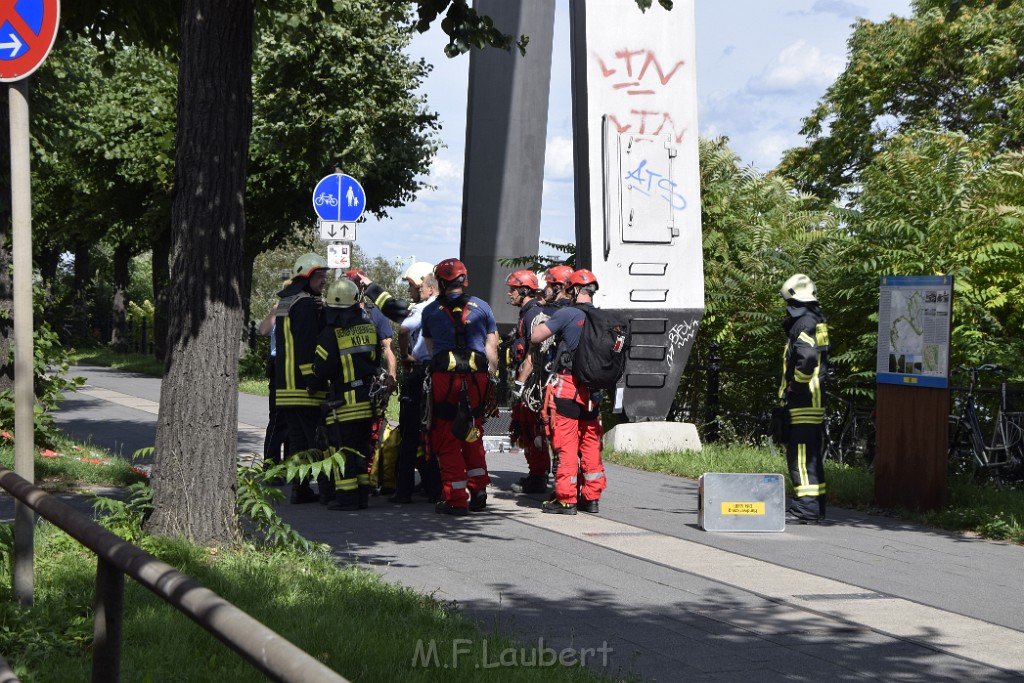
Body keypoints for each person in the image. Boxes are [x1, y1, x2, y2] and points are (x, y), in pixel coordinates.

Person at [421, 258, 499, 516]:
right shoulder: (483, 308)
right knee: (473, 431)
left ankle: (455, 498)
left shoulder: (431, 311)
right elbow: (492, 350)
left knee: (447, 436)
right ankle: (478, 491)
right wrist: (491, 382)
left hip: (446, 378)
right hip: (477, 378)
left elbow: (432, 351)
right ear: (463, 281)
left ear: (441, 283)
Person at [311, 278, 397, 511]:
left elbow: (322, 369)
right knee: (361, 449)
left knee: (343, 451)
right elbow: (375, 359)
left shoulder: (332, 333)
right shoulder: (369, 327)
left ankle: (347, 499)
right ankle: (361, 496)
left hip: (344, 403)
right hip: (366, 401)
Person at [530, 268, 607, 515]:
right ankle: (591, 497)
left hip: (569, 386)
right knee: (590, 441)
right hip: (594, 391)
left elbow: (535, 336)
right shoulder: (605, 319)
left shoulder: (568, 313)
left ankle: (565, 498)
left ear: (574, 290)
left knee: (566, 442)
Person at [274, 253, 329, 504]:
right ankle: (326, 489)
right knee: (315, 439)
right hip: (303, 387)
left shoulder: (287, 301)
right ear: (306, 277)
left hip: (284, 386)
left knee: (296, 441)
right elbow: (307, 346)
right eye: (319, 276)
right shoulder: (305, 304)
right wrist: (314, 380)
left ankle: (300, 488)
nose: (324, 281)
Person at [778, 273, 830, 523]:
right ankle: (815, 507)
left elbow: (807, 358)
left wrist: (795, 387)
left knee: (800, 457)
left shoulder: (803, 325)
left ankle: (805, 510)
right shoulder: (818, 321)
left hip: (804, 401)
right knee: (811, 456)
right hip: (815, 401)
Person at [391, 262, 442, 504]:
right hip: (443, 376)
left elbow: (402, 332)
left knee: (410, 433)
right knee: (433, 432)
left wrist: (404, 357)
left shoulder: (423, 309)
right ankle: (436, 488)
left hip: (421, 375)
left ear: (430, 287)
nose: (414, 290)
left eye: (416, 286)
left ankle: (403, 491)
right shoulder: (449, 309)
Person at [505, 269, 551, 494]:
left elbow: (532, 355)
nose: (509, 294)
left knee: (532, 428)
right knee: (525, 428)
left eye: (512, 290)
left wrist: (520, 384)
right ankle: (536, 473)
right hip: (528, 379)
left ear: (523, 290)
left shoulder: (533, 315)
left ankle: (538, 476)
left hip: (531, 383)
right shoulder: (528, 313)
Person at [258, 282, 289, 476]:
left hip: (292, 367)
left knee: (292, 419)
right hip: (279, 366)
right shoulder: (280, 309)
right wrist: (276, 310)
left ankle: (287, 466)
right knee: (278, 419)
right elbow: (263, 330)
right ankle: (270, 466)